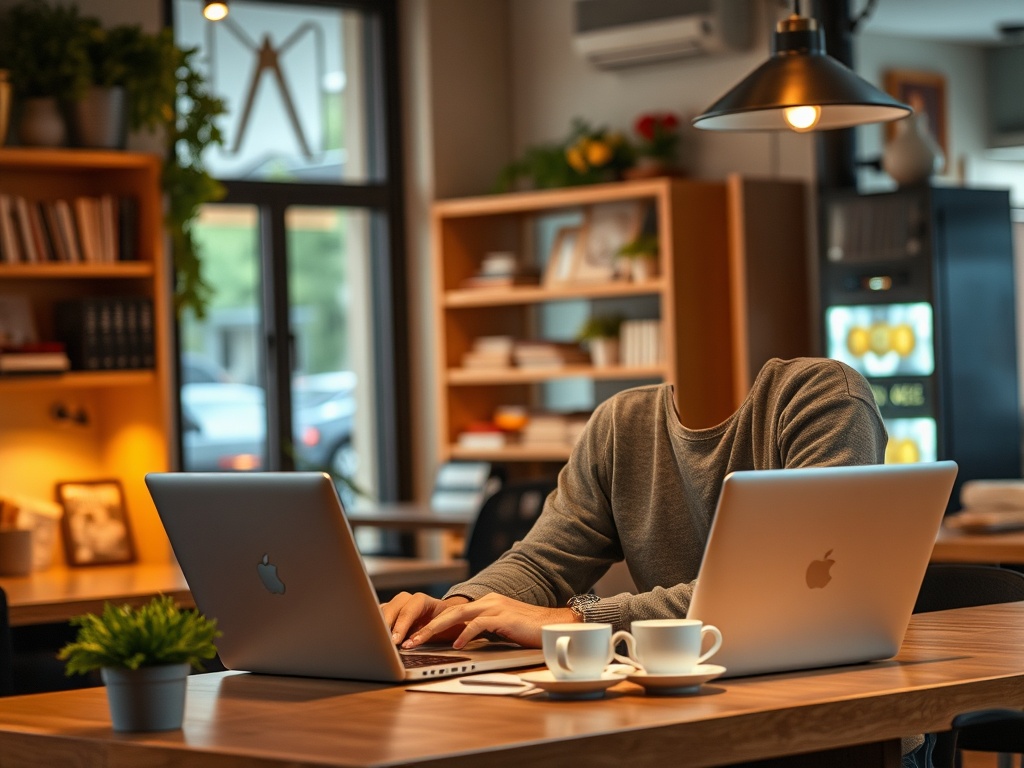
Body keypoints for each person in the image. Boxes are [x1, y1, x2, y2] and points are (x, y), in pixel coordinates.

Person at [383, 356, 886, 649]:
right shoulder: (621, 423)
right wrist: (459, 609)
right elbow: (542, 562)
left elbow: (775, 591)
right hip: (683, 700)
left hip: (829, 713)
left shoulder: (823, 398)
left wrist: (582, 619)